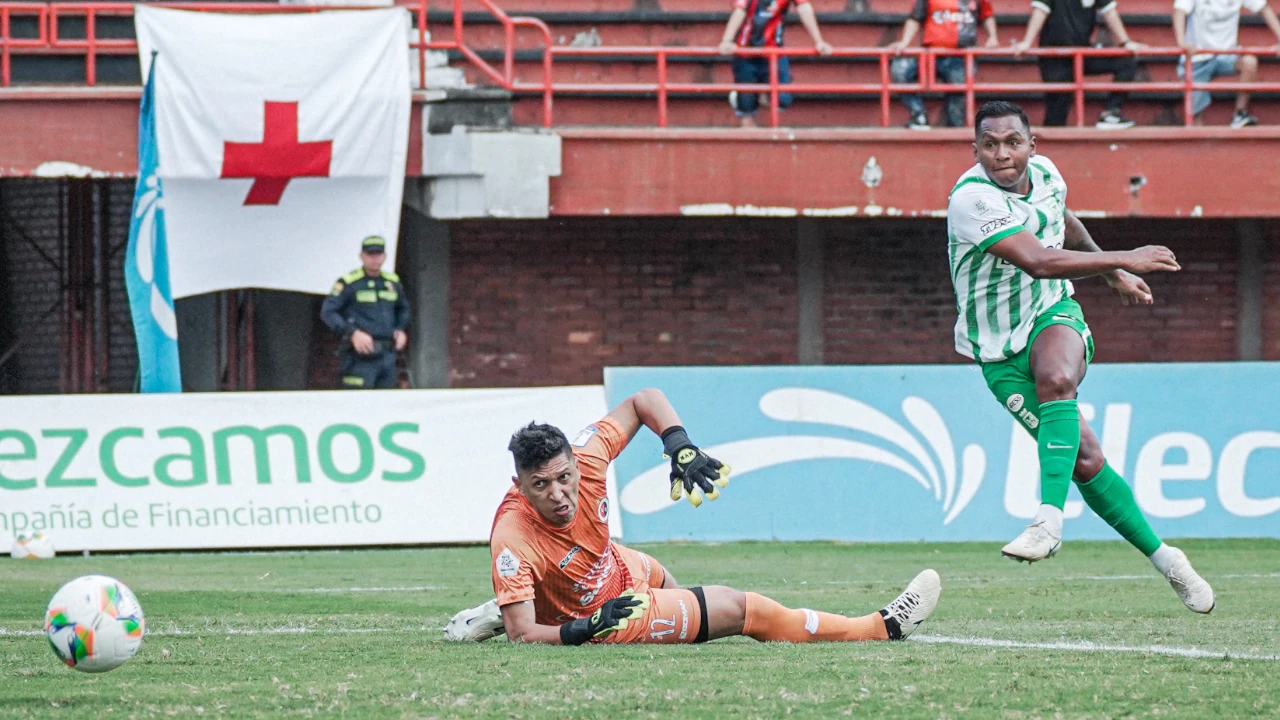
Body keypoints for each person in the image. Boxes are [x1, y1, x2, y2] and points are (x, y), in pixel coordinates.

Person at [945, 100, 1215, 612]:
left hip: (1053, 312)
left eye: (1013, 142)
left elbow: (1060, 222)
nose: (1002, 154)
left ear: (1032, 145)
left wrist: (1110, 275)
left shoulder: (1045, 173)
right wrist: (1123, 259)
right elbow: (1039, 260)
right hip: (997, 351)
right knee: (1086, 461)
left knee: (1056, 376)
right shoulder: (971, 200)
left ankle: (1047, 519)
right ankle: (1168, 561)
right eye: (990, 144)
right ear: (976, 148)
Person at [445, 388, 941, 645]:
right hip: (601, 617)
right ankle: (879, 627)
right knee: (736, 609)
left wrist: (678, 444)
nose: (559, 494)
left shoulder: (588, 456)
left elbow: (644, 401)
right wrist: (583, 628)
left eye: (564, 477)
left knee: (675, 587)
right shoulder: (513, 537)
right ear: (520, 487)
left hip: (616, 566)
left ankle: (507, 605)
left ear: (576, 464)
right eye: (541, 486)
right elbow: (524, 636)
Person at [1012, 0, 1142, 128]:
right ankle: (1051, 145)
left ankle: (1111, 114)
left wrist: (1125, 42)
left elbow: (1110, 12)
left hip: (1083, 52)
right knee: (1057, 109)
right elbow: (1040, 11)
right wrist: (1027, 42)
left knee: (1125, 62)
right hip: (1055, 56)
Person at [717, 0, 834, 127]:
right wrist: (726, 40)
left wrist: (819, 41)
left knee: (783, 98)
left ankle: (757, 97)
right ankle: (744, 109)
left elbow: (804, 7)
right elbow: (739, 11)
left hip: (773, 49)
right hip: (746, 51)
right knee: (747, 105)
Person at [887, 0, 999, 129]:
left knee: (959, 87)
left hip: (961, 56)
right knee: (900, 69)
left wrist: (993, 37)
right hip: (931, 54)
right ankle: (919, 115)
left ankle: (955, 128)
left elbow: (986, 15)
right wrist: (905, 41)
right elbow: (916, 17)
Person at [320, 235, 409, 390]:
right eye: (370, 254)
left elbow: (403, 308)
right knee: (357, 406)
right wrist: (352, 332)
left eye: (378, 254)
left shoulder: (392, 282)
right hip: (360, 356)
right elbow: (328, 312)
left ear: (385, 256)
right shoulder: (349, 282)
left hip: (387, 355)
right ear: (361, 256)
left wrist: (400, 329)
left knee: (387, 405)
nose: (375, 259)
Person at [1173, 0, 1280, 127]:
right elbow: (1179, 11)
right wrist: (1181, 42)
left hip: (1227, 55)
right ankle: (1198, 142)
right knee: (1195, 118)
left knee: (1249, 63)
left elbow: (1264, 8)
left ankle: (1240, 113)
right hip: (1198, 57)